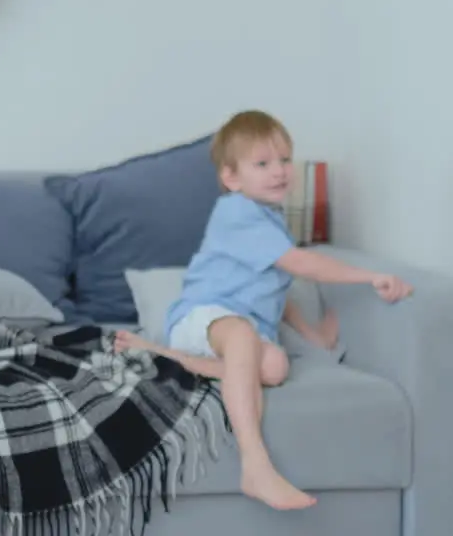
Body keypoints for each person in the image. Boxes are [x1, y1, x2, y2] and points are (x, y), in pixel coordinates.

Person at [113, 110, 412, 512]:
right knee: (241, 336)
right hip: (204, 317)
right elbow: (300, 266)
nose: (279, 172)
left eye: (285, 160)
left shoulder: (271, 221)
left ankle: (166, 357)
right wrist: (370, 276)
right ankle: (255, 465)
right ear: (232, 178)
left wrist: (312, 334)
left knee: (274, 368)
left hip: (241, 330)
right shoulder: (237, 213)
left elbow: (276, 291)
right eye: (263, 164)